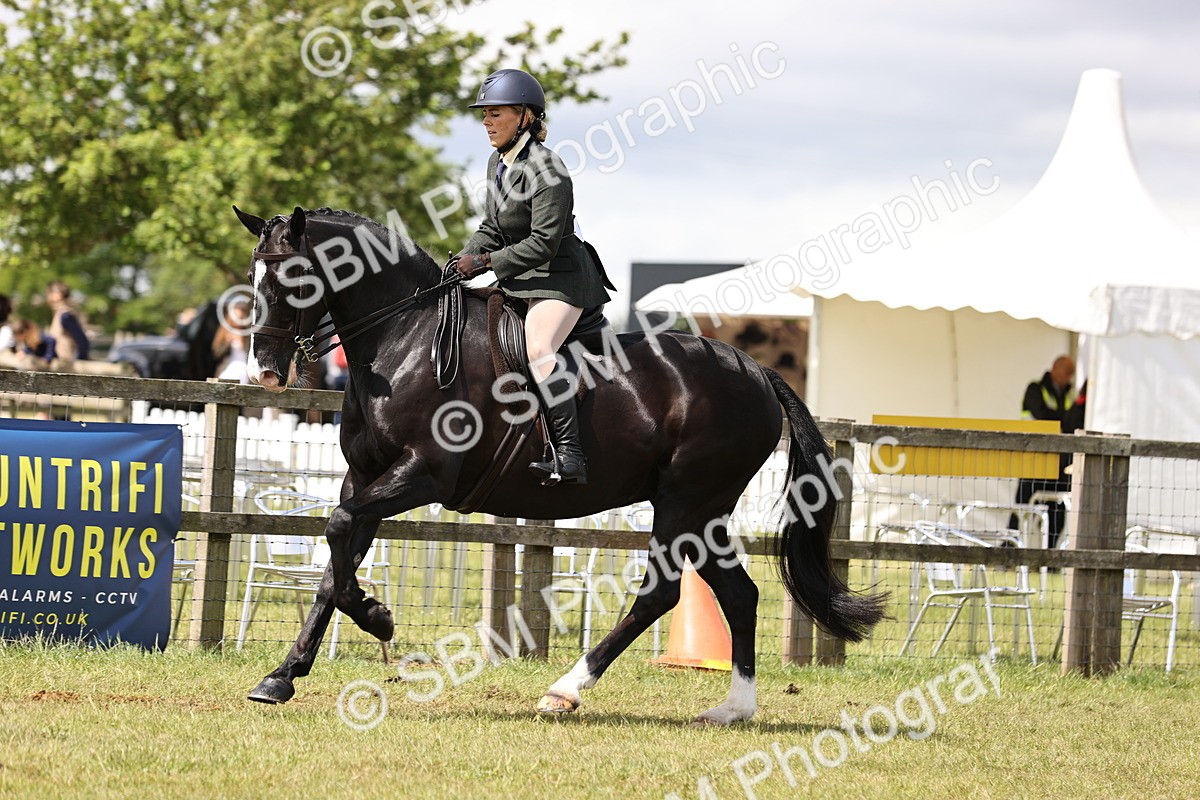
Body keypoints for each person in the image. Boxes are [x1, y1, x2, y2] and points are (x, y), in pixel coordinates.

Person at [454, 68, 613, 486]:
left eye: (495, 113)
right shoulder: (498, 162)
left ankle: (571, 455)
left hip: (561, 277)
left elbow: (543, 242)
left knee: (539, 348)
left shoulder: (548, 169)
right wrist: (463, 258)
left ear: (524, 116)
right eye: (484, 114)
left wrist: (485, 263)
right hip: (522, 275)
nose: (486, 122)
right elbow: (492, 227)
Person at [1011, 355, 1076, 547]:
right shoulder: (1035, 389)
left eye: (1071, 374)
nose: (1069, 378)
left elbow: (1072, 421)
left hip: (1058, 463)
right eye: (1067, 372)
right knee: (1022, 509)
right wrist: (1062, 418)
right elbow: (1043, 415)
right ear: (1055, 368)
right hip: (1033, 460)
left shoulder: (1068, 395)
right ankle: (1010, 548)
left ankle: (1049, 555)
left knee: (1057, 512)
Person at [46, 280, 90, 361]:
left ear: (59, 295)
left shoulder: (65, 315)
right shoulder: (59, 312)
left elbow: (82, 341)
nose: (49, 296)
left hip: (66, 361)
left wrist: (78, 361)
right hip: (61, 361)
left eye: (51, 293)